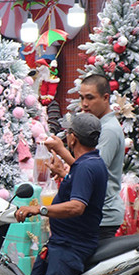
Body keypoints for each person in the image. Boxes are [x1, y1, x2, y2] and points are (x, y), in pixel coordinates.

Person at [14, 113, 108, 275]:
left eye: (68, 134)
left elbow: (77, 206)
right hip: (63, 239)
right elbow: (77, 168)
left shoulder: (88, 167)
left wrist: (38, 210)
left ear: (73, 137)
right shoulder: (88, 162)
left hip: (73, 243)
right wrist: (61, 155)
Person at [45, 74, 124, 239]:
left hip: (103, 215)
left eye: (90, 98)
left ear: (106, 98)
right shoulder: (100, 125)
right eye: (81, 98)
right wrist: (63, 172)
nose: (84, 104)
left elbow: (93, 169)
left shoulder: (107, 130)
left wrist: (61, 150)